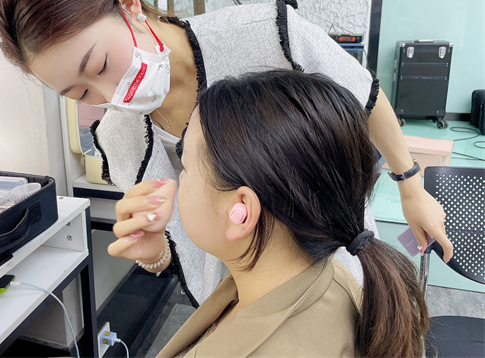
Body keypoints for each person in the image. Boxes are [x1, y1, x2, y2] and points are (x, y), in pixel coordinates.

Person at [0, 0, 452, 306]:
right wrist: (153, 252)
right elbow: (177, 243)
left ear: (130, 6)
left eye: (100, 65)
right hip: (237, 303)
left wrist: (410, 186)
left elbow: (363, 95)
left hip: (331, 267)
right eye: (81, 94)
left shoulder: (263, 35)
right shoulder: (120, 137)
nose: (112, 95)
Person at [114, 69, 429, 357]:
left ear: (241, 211)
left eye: (186, 167)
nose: (177, 180)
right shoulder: (327, 277)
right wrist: (156, 254)